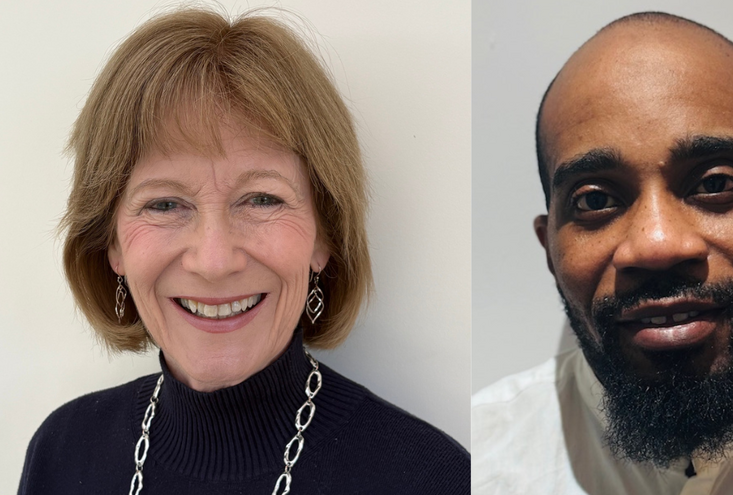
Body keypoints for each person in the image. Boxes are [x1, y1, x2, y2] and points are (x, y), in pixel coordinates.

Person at [18, 8, 469, 494]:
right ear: (113, 244)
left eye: (261, 199)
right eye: (165, 204)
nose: (214, 261)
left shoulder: (432, 477)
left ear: (324, 236)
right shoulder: (62, 451)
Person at [472, 11, 733, 495]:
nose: (658, 245)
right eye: (596, 200)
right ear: (549, 251)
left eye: (715, 184)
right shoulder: (474, 461)